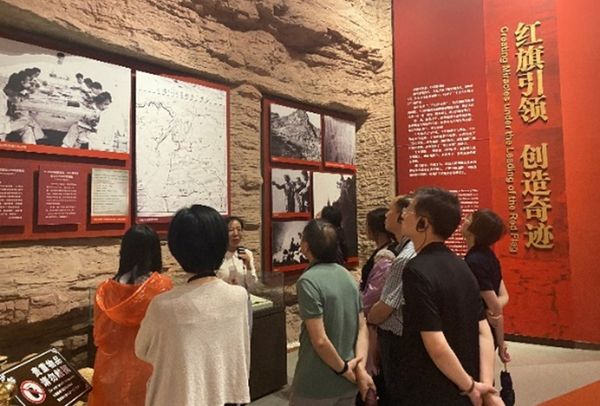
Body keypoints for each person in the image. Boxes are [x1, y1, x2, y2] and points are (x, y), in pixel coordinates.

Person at [135, 205, 251, 406]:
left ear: (177, 249)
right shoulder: (238, 297)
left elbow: (142, 350)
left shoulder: (163, 305)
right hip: (225, 397)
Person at [398, 187, 502, 405]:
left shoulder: (416, 271)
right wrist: (485, 386)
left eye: (409, 210)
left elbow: (435, 343)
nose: (403, 214)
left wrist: (471, 387)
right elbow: (483, 329)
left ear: (423, 223)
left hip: (434, 385)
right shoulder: (462, 266)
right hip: (465, 381)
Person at [291, 219, 375, 406]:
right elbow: (362, 327)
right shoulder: (346, 275)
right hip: (348, 380)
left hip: (318, 381)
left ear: (306, 246)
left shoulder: (308, 281)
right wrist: (359, 368)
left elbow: (320, 340)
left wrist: (343, 370)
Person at [88, 225, 172, 406]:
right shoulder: (162, 287)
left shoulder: (104, 290)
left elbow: (99, 336)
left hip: (110, 368)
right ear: (154, 251)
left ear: (124, 251)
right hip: (147, 368)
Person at [366, 196, 416, 405]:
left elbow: (384, 306)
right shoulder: (402, 251)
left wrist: (369, 316)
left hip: (398, 340)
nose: (387, 214)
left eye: (390, 210)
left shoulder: (401, 258)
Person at [357, 207, 397, 406]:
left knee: (374, 370)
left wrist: (360, 308)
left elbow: (374, 294)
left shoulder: (385, 257)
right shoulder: (389, 250)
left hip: (377, 321)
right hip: (379, 318)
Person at [462, 209, 511, 364]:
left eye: (469, 219)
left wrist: (491, 308)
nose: (464, 220)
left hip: (479, 329)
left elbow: (495, 306)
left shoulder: (475, 261)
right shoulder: (488, 256)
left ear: (475, 230)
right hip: (488, 328)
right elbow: (503, 297)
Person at [216, 216, 258, 289]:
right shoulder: (216, 255)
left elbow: (252, 286)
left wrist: (248, 266)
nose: (236, 233)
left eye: (239, 229)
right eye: (231, 230)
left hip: (242, 295)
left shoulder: (247, 253)